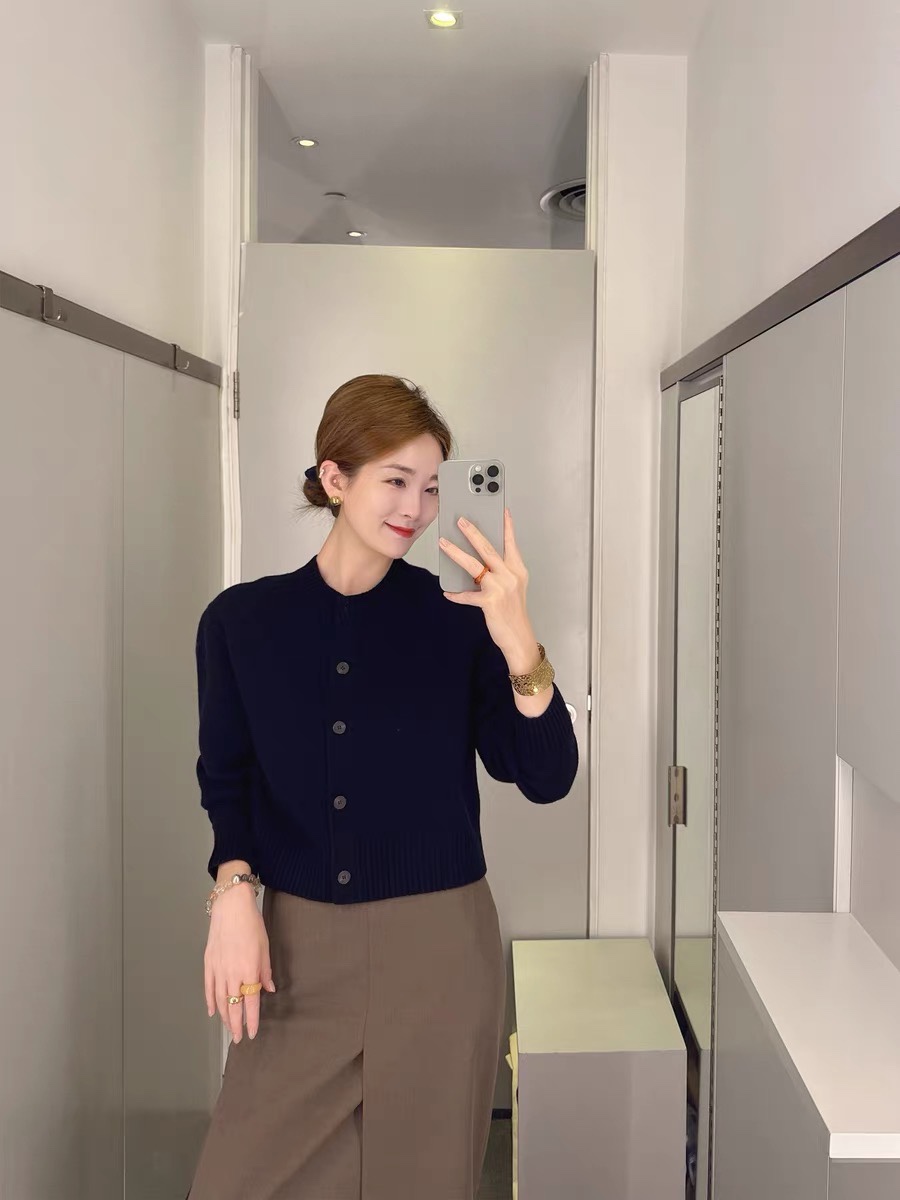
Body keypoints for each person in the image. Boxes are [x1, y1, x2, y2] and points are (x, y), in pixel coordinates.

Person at [188, 374, 578, 1200]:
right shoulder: (240, 623)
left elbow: (545, 776)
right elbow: (227, 778)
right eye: (396, 481)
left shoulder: (460, 619)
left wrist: (519, 641)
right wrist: (233, 894)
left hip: (440, 952)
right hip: (295, 951)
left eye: (432, 486)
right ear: (335, 478)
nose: (417, 508)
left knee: (423, 1181)